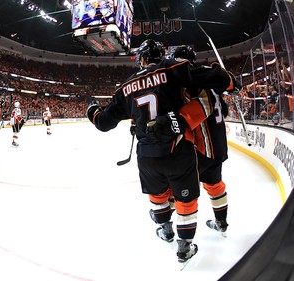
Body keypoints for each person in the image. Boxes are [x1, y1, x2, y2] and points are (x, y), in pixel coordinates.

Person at [86, 39, 237, 265]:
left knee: (158, 195)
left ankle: (165, 230)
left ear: (142, 59)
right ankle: (184, 246)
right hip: (179, 148)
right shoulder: (171, 68)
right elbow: (207, 77)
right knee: (186, 198)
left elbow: (103, 123)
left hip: (146, 154)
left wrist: (92, 109)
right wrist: (230, 81)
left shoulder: (125, 87)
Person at [170, 45, 233, 236]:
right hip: (219, 147)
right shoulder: (211, 79)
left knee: (182, 190)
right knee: (215, 184)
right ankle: (221, 223)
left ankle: (182, 238)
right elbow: (225, 110)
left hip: (202, 148)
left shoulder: (189, 80)